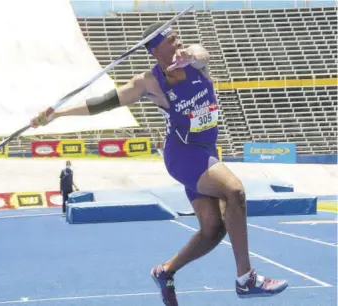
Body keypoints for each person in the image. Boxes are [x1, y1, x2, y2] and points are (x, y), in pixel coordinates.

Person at [31, 22, 288, 305]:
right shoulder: (149, 82)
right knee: (235, 191)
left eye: (178, 39)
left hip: (206, 151)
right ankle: (246, 278)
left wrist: (189, 56)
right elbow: (104, 102)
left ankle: (165, 271)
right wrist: (58, 114)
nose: (178, 44)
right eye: (171, 41)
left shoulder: (194, 61)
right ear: (155, 50)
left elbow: (202, 53)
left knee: (213, 230)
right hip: (184, 154)